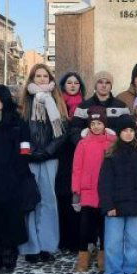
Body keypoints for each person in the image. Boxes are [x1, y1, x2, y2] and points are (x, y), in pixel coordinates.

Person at [0, 85, 38, 274]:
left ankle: (9, 255)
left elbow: (25, 149)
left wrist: (17, 171)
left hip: (12, 178)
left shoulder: (18, 122)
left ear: (2, 100)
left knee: (11, 217)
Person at [19, 64, 68, 263]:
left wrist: (47, 151)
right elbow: (19, 129)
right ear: (32, 78)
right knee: (30, 202)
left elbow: (62, 130)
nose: (41, 79)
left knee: (48, 202)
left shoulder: (55, 99)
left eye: (44, 76)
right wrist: (29, 151)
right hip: (29, 158)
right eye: (37, 76)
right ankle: (31, 247)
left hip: (49, 158)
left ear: (50, 79)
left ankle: (47, 245)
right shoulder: (24, 102)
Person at [99, 115, 137, 274]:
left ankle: (130, 273)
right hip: (115, 207)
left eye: (131, 130)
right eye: (125, 131)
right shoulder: (111, 154)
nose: (129, 134)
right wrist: (108, 206)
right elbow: (104, 182)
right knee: (113, 243)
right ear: (119, 132)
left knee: (133, 243)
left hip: (133, 206)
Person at [71, 106, 116, 273]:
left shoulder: (112, 142)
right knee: (85, 227)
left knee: (104, 227)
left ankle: (103, 257)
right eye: (93, 123)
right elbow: (77, 168)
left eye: (99, 123)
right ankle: (83, 256)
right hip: (87, 190)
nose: (96, 126)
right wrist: (76, 189)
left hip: (105, 191)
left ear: (105, 124)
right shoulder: (83, 144)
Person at [57, 71, 87, 253]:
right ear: (64, 86)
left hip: (80, 154)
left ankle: (78, 240)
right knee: (63, 197)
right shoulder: (57, 105)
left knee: (78, 198)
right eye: (69, 82)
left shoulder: (85, 106)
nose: (73, 85)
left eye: (76, 82)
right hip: (62, 155)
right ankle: (64, 239)